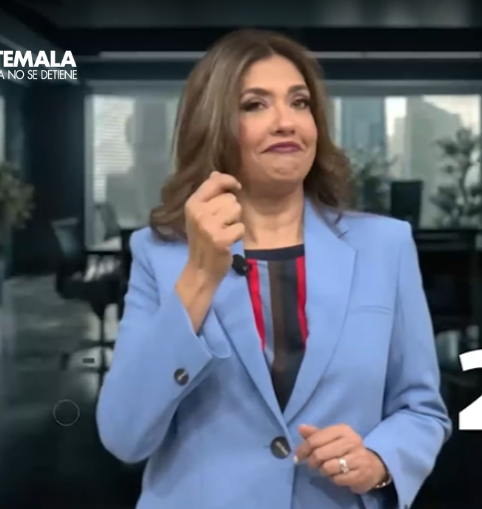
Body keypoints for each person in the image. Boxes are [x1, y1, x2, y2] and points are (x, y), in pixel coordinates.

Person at [96, 29, 451, 509]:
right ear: (215, 126)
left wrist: (379, 460)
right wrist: (199, 276)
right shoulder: (159, 256)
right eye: (255, 105)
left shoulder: (386, 246)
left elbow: (422, 410)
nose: (286, 122)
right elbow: (124, 435)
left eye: (299, 103)